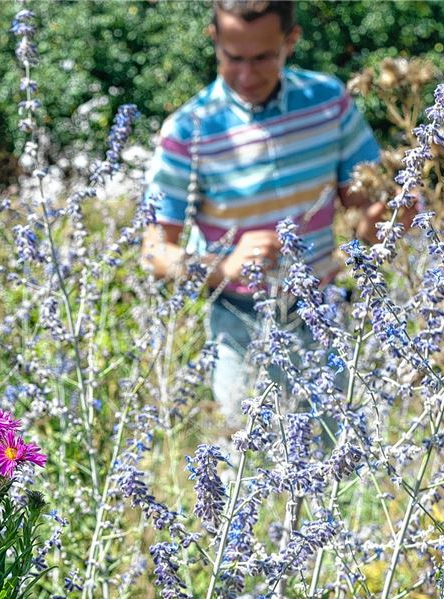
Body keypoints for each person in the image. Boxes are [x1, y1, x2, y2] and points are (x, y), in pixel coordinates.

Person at [142, 0, 394, 420]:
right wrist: (223, 266)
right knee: (249, 471)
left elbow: (364, 205)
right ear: (214, 41)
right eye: (232, 58)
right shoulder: (188, 131)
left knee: (341, 462)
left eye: (263, 58)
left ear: (290, 41)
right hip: (240, 330)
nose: (246, 75)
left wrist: (387, 218)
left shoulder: (327, 102)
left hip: (325, 317)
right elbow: (153, 252)